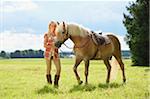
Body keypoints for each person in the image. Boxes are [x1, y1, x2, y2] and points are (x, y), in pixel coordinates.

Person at [43, 21, 61, 87]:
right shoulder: (46, 35)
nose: (53, 27)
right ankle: (49, 83)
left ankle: (56, 83)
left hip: (55, 53)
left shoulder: (57, 35)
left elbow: (59, 45)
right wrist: (51, 46)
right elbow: (44, 45)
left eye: (54, 26)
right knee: (48, 68)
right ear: (49, 26)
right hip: (48, 53)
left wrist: (56, 45)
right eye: (51, 25)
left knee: (59, 69)